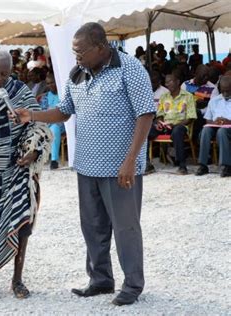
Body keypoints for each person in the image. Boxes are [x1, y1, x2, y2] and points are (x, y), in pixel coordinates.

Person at [15, 22, 155, 306]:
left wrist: (130, 160)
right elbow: (64, 111)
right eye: (73, 51)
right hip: (87, 165)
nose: (75, 56)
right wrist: (32, 115)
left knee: (125, 226)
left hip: (120, 168)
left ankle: (132, 285)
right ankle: (101, 279)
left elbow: (146, 114)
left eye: (80, 51)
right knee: (92, 226)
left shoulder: (129, 68)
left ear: (101, 47)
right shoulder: (77, 73)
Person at [0, 50, 52, 302]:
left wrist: (33, 152)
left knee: (21, 224)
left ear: (12, 71)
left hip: (17, 170)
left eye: (4, 73)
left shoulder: (21, 92)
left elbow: (39, 126)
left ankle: (17, 280)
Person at [148, 73, 197, 175]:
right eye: (166, 82)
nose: (167, 84)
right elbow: (160, 114)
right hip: (166, 125)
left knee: (177, 130)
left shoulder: (188, 96)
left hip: (181, 125)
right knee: (146, 130)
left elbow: (190, 118)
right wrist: (160, 122)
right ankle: (147, 163)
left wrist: (175, 124)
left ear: (178, 82)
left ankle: (182, 165)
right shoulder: (164, 96)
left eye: (170, 81)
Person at [196, 76, 231, 177]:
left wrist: (227, 121)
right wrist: (215, 122)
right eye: (223, 91)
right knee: (205, 130)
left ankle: (226, 166)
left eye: (228, 91)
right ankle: (203, 165)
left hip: (228, 128)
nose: (225, 94)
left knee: (222, 132)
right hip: (216, 126)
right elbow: (208, 119)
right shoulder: (214, 100)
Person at [39, 73, 64, 169]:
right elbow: (42, 112)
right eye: (48, 83)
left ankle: (54, 160)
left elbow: (64, 112)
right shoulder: (45, 97)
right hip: (46, 122)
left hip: (61, 123)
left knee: (54, 129)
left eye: (52, 82)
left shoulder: (63, 95)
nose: (50, 85)